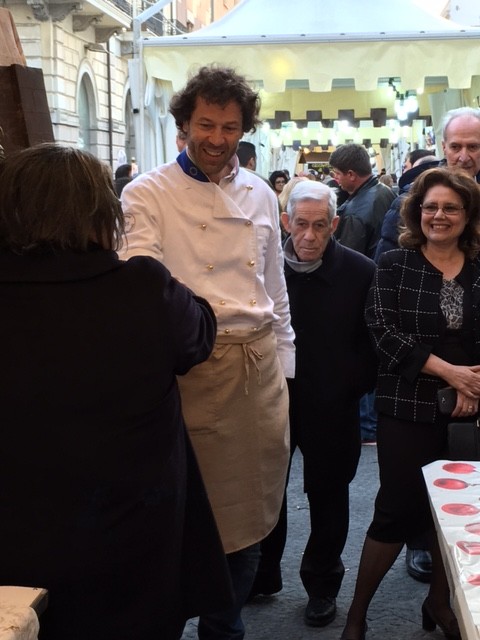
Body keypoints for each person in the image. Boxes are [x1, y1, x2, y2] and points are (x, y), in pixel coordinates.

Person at [0, 143, 233, 640]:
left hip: (16, 533)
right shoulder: (141, 288)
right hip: (129, 530)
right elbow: (199, 336)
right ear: (99, 212)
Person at [120, 65, 295, 640]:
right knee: (181, 519)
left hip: (259, 371)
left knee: (249, 520)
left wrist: (286, 366)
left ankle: (226, 626)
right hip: (190, 373)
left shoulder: (262, 193)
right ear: (183, 125)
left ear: (244, 128)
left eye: (230, 126)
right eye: (205, 124)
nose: (218, 138)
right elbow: (141, 287)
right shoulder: (147, 192)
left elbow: (274, 287)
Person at [341, 167, 480, 640]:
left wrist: (469, 386)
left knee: (458, 515)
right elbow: (383, 334)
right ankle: (357, 615)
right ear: (417, 213)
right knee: (396, 511)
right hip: (407, 407)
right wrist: (450, 373)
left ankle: (440, 604)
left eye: (451, 208)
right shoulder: (394, 264)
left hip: (472, 409)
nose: (439, 216)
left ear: (467, 216)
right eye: (431, 207)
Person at [250, 181, 377, 629]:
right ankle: (262, 574)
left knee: (328, 494)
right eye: (300, 224)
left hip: (331, 403)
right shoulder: (262, 267)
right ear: (285, 222)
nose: (308, 236)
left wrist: (346, 387)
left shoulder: (360, 272)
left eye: (319, 226)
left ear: (334, 225)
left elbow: (372, 344)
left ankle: (322, 586)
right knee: (267, 491)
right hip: (270, 399)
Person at [330, 143, 395, 447]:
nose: (336, 180)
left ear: (352, 175)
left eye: (337, 174)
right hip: (386, 283)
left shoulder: (355, 210)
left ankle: (367, 426)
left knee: (362, 351)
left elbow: (348, 257)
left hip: (366, 289)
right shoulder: (383, 192)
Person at [440, 106, 480, 181]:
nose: (464, 158)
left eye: (473, 147)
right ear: (444, 147)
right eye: (455, 147)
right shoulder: (423, 191)